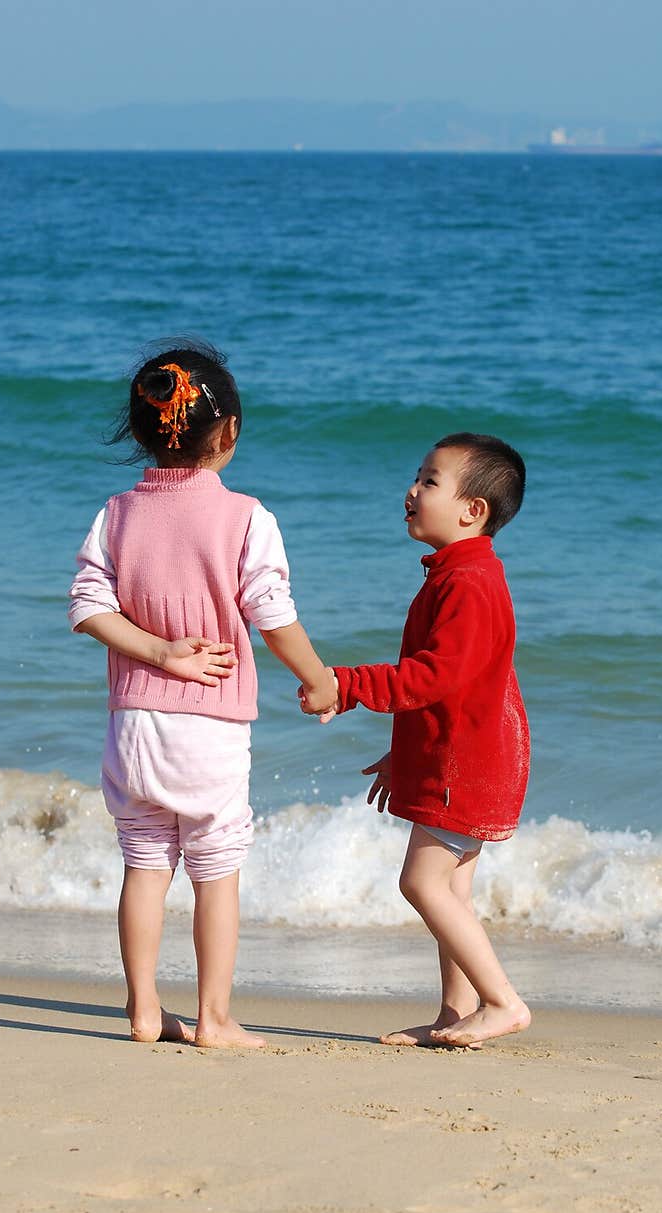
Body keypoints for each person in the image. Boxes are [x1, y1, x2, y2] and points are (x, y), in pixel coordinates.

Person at [68, 340, 337, 1048]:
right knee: (215, 869)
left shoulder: (118, 513)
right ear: (229, 434)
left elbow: (87, 604)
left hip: (132, 723)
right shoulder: (247, 517)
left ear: (142, 430)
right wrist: (319, 678)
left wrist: (156, 652)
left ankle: (144, 1009)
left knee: (144, 861)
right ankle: (214, 1016)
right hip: (210, 723)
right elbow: (271, 613)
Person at [300, 434, 531, 1048]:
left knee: (422, 885)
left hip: (470, 762)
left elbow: (436, 676)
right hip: (473, 753)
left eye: (430, 481)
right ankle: (457, 1013)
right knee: (452, 889)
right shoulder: (463, 575)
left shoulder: (468, 584)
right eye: (417, 476)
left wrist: (344, 685)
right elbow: (465, 688)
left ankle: (502, 1001)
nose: (412, 489)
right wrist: (405, 753)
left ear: (471, 510)